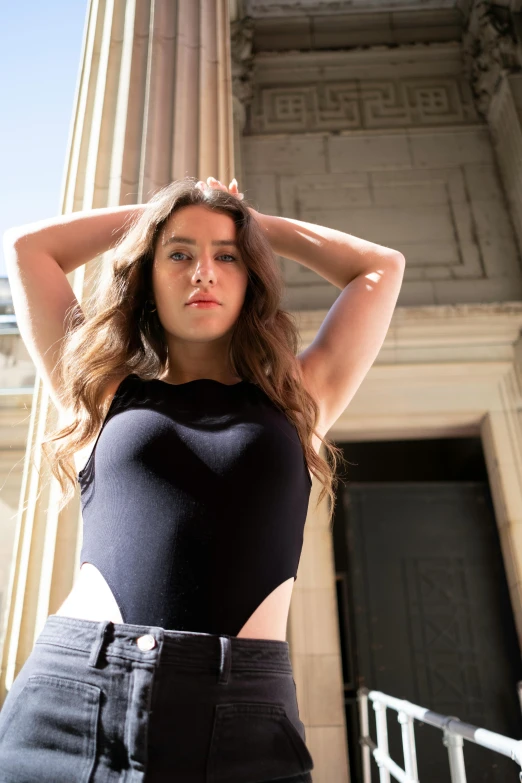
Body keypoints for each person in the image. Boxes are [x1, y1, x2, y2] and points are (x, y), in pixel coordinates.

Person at [0, 175, 405, 781]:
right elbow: (28, 248)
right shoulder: (99, 393)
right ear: (147, 277)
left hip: (241, 709)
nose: (203, 272)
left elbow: (380, 267)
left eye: (228, 257)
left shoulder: (300, 400)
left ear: (251, 276)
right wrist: (168, 211)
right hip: (77, 695)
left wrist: (246, 221)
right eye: (179, 254)